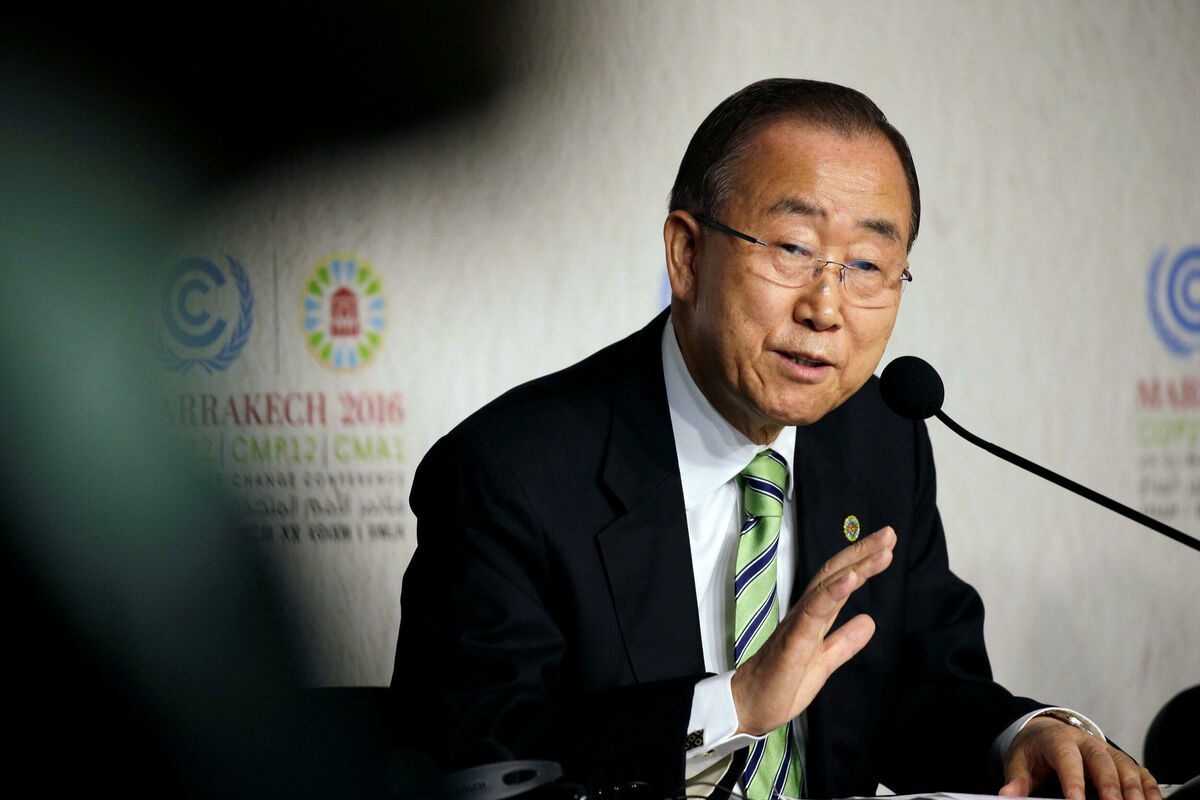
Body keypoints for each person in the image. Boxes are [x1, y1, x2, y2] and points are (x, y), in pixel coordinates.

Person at [391, 79, 1158, 800]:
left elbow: (921, 692)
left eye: (867, 264)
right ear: (687, 255)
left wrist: (1021, 735)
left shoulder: (881, 441)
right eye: (792, 248)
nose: (826, 307)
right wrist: (733, 705)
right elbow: (485, 762)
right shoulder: (509, 472)